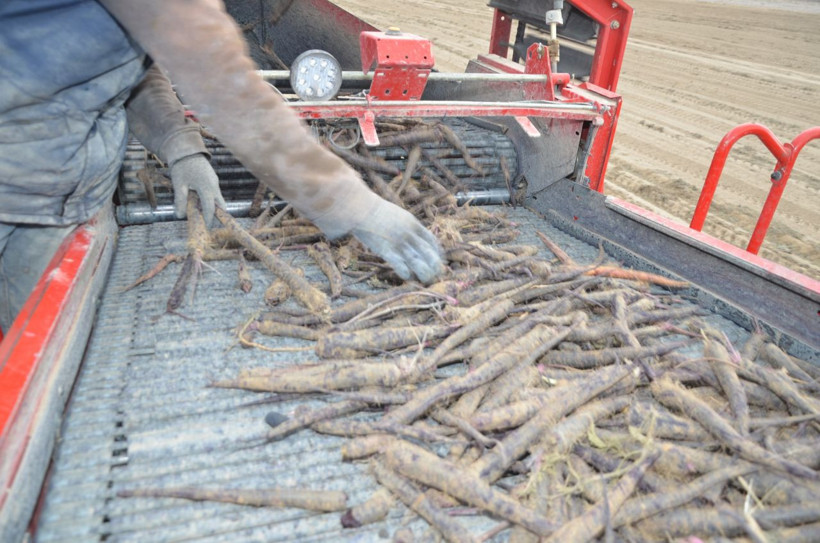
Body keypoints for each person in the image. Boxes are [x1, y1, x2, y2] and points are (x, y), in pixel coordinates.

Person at [0, 0, 443, 333]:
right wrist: (352, 205)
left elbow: (125, 61)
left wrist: (179, 144)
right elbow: (222, 83)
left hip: (42, 182)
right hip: (20, 189)